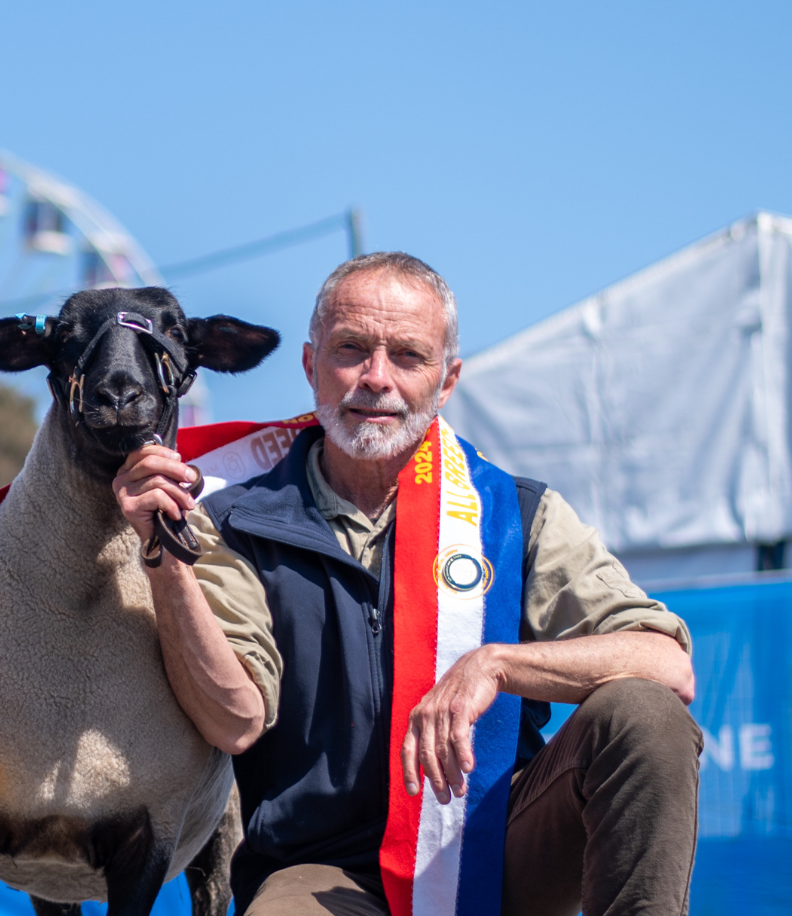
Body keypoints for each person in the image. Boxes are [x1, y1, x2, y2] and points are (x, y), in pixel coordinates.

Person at [114, 253, 700, 916]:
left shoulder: (516, 515)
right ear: (311, 367)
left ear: (446, 380)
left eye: (409, 357)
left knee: (645, 714)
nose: (376, 380)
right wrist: (162, 554)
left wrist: (498, 665)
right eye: (352, 350)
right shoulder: (228, 525)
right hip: (323, 868)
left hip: (497, 849)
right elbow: (234, 719)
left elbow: (666, 662)